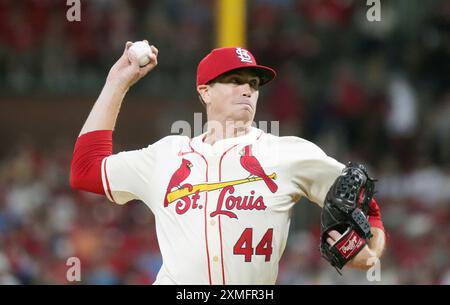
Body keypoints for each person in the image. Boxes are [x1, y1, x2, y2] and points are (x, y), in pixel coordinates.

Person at [70, 41, 386, 284]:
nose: (247, 89)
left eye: (253, 83)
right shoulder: (165, 156)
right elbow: (85, 171)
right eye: (235, 80)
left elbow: (364, 202)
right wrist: (117, 83)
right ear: (205, 92)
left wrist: (371, 255)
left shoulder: (287, 153)